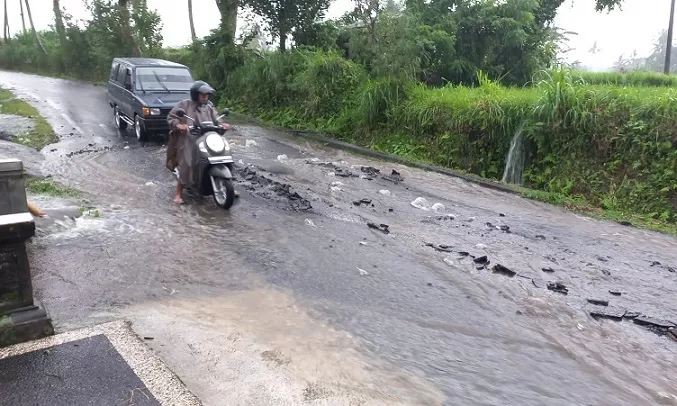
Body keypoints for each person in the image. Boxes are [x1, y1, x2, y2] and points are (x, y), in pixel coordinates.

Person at [166, 81, 232, 204]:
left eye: (207, 95)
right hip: (190, 139)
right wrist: (179, 125)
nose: (205, 97)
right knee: (188, 163)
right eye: (202, 95)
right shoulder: (184, 104)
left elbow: (217, 119)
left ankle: (226, 185)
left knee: (223, 155)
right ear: (195, 94)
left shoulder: (209, 107)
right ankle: (178, 194)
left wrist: (222, 124)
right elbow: (172, 117)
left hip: (207, 138)